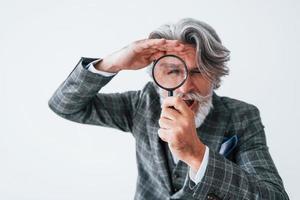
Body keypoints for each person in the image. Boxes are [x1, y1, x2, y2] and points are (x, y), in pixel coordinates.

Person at [48, 18, 289, 199]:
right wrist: (112, 63)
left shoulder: (242, 116)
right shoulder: (142, 104)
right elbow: (65, 106)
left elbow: (274, 196)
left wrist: (196, 154)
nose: (184, 88)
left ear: (215, 75)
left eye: (197, 72)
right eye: (173, 71)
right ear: (156, 76)